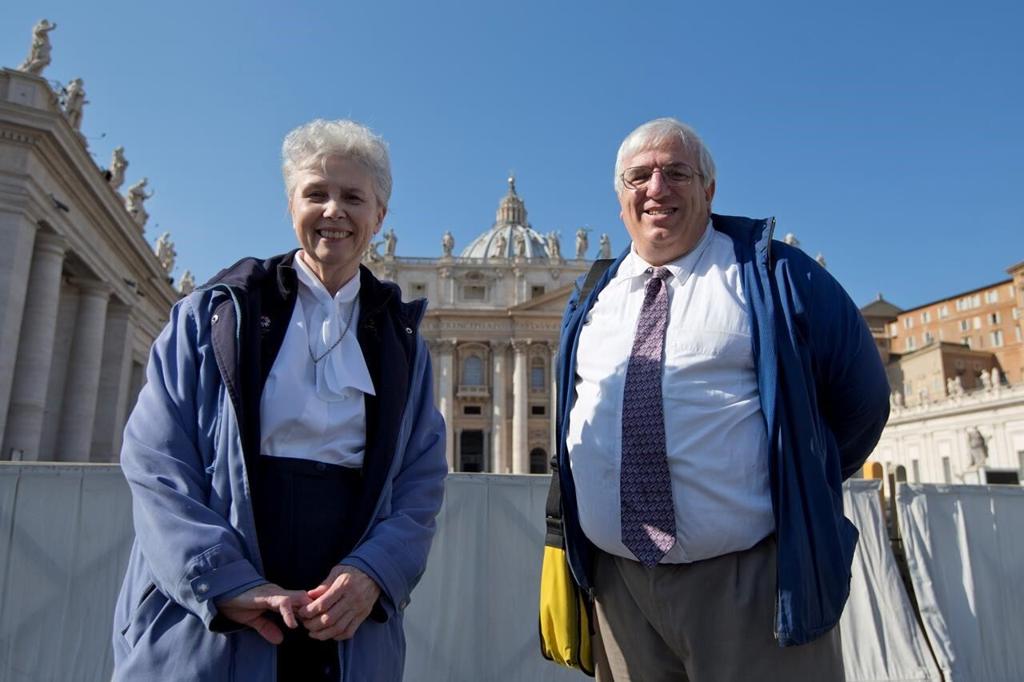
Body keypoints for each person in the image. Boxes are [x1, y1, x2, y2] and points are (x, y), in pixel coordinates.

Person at [554, 118, 889, 681]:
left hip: (750, 580)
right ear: (620, 198)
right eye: (639, 176)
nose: (656, 188)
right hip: (619, 584)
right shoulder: (591, 295)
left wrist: (803, 478)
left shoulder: (778, 275)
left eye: (677, 173)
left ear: (709, 190)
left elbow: (863, 400)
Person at [112, 119, 447, 681]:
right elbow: (155, 462)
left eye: (353, 197)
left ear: (379, 217)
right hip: (220, 597)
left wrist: (374, 572)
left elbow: (421, 480)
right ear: (290, 204)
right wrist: (225, 581)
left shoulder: (401, 340)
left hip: (343, 604)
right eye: (316, 193)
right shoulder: (212, 314)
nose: (333, 211)